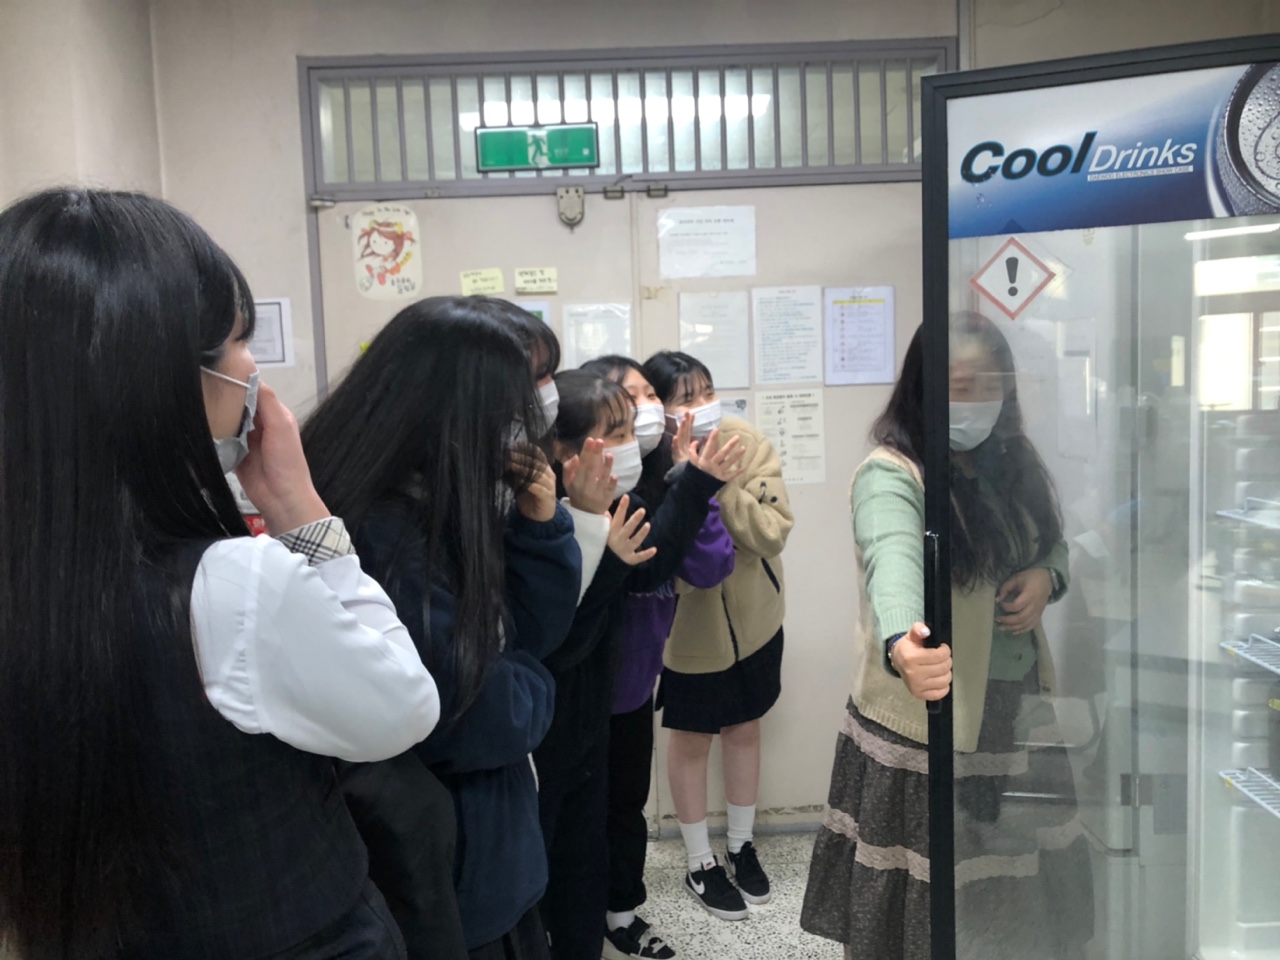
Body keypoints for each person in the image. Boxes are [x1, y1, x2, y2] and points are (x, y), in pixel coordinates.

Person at [0, 188, 441, 960]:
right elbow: (402, 708)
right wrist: (302, 511)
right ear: (163, 376)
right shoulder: (233, 586)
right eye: (239, 340)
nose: (254, 366)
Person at [302, 298, 610, 960]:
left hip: (485, 852)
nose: (539, 407)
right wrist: (533, 677)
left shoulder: (450, 494)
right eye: (525, 389)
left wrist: (541, 527)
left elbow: (531, 632)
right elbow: (481, 714)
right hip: (448, 872)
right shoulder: (385, 535)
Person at [800, 315, 1093, 960]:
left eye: (991, 384)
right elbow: (892, 559)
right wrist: (905, 643)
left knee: (1012, 881)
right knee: (924, 889)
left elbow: (1053, 543)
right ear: (925, 388)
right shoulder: (892, 473)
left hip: (1014, 707)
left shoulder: (1010, 462)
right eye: (961, 386)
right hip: (928, 713)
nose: (978, 400)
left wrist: (1047, 576)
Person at [535, 370, 745, 960]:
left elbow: (662, 564)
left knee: (619, 809)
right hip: (561, 710)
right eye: (618, 430)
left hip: (626, 687)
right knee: (565, 831)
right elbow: (566, 625)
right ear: (564, 448)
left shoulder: (640, 488)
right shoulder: (542, 515)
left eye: (638, 418)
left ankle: (619, 914)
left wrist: (692, 483)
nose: (634, 438)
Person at [642, 351, 794, 921]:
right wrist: (686, 482)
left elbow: (771, 532)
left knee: (745, 727)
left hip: (757, 622)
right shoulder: (647, 460)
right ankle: (699, 860)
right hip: (687, 633)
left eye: (707, 392)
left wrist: (719, 484)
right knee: (691, 740)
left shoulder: (743, 441)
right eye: (685, 398)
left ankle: (740, 844)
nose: (703, 406)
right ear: (659, 409)